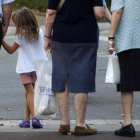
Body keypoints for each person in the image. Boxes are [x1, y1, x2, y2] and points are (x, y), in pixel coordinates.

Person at [45, 0, 104, 136]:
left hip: (61, 36)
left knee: (61, 76)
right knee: (82, 76)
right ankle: (80, 125)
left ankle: (64, 123)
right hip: (85, 36)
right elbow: (99, 13)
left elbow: (50, 13)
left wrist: (48, 36)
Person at [1, 8, 46, 129]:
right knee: (29, 93)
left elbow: (10, 50)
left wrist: (1, 40)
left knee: (30, 92)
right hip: (39, 67)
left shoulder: (21, 36)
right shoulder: (39, 32)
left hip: (25, 68)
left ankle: (35, 117)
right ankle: (26, 119)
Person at [108, 0, 140, 137]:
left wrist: (110, 37)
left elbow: (117, 11)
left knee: (127, 84)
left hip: (129, 40)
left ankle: (128, 123)